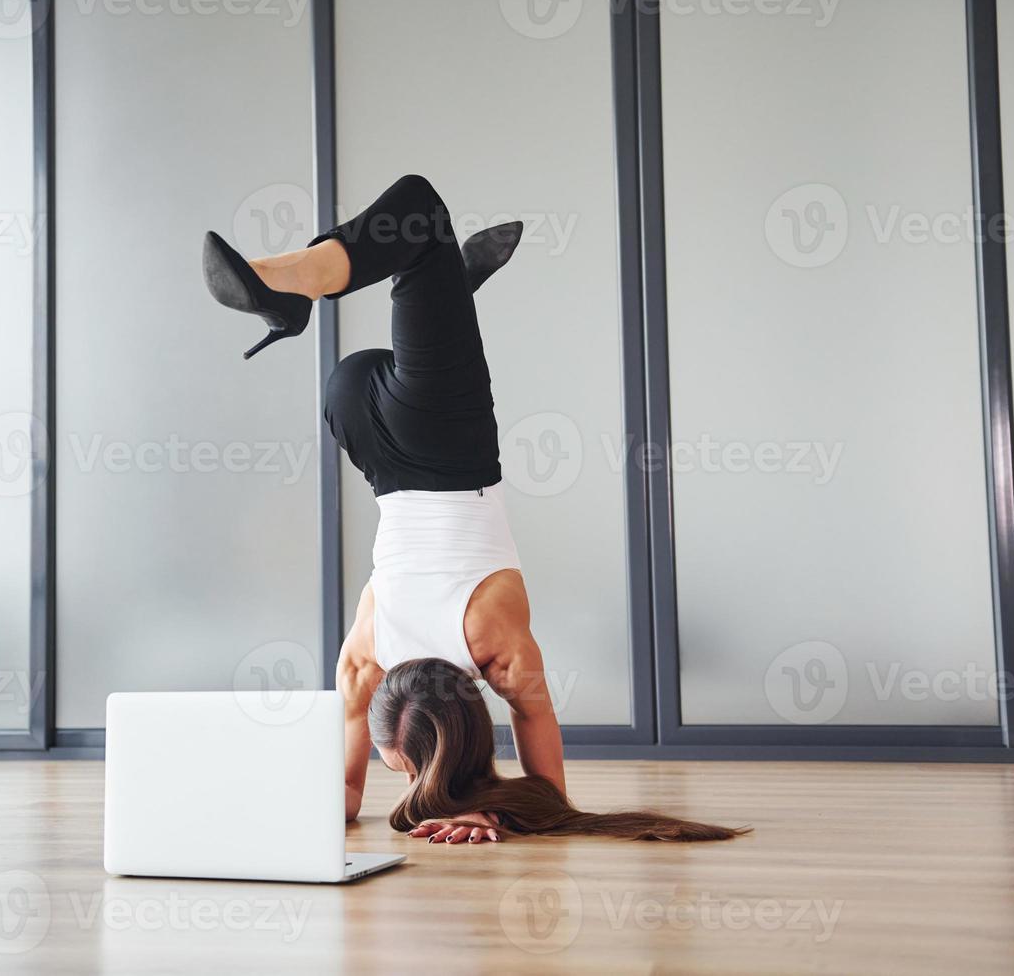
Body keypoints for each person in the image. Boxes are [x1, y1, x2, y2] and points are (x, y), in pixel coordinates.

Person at [204, 174, 745, 843]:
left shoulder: (499, 656)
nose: (402, 781)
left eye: (400, 775)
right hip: (366, 419)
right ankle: (334, 284)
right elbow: (347, 792)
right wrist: (452, 801)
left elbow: (542, 782)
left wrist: (453, 800)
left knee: (422, 234)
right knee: (419, 224)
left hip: (420, 448)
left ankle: (334, 292)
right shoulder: (367, 660)